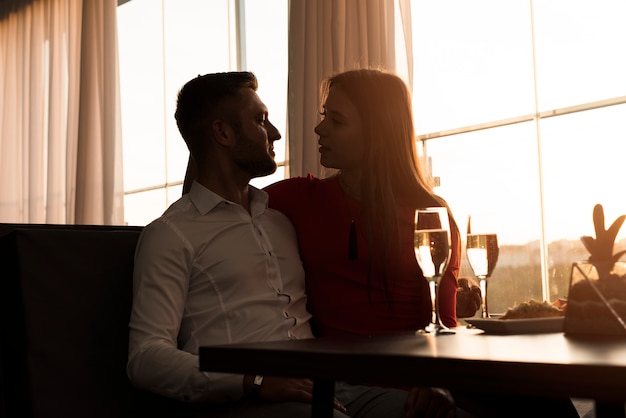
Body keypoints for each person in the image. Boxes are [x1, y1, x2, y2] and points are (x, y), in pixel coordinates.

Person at [129, 71, 453, 418]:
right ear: (222, 132)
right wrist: (253, 381)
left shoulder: (281, 217)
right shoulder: (172, 234)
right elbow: (145, 356)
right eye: (260, 120)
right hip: (250, 398)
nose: (276, 133)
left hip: (334, 386)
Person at [263, 68, 579, 417]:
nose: (319, 129)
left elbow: (441, 323)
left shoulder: (429, 215)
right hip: (357, 380)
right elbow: (220, 194)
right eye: (325, 117)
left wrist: (436, 381)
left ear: (377, 134)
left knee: (550, 402)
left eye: (337, 121)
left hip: (426, 376)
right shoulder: (300, 198)